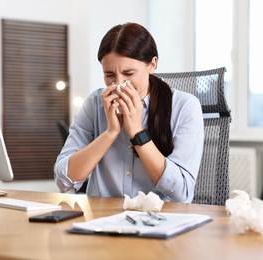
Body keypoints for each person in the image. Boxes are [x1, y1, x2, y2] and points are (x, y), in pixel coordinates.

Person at [54, 22, 204, 202]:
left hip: (160, 221)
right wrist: (110, 133)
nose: (118, 84)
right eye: (110, 75)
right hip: (102, 220)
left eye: (129, 73)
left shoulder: (185, 106)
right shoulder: (94, 105)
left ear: (152, 64)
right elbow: (64, 181)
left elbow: (182, 192)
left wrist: (137, 133)